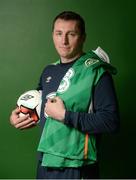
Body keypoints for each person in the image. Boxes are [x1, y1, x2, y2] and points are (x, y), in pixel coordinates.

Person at [10, 11, 119, 179]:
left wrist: (64, 115)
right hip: (45, 162)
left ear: (82, 37)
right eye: (59, 33)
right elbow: (41, 108)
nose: (64, 41)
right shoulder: (49, 70)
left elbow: (110, 122)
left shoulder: (97, 72)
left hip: (77, 166)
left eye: (71, 34)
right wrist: (21, 115)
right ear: (53, 35)